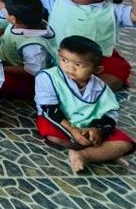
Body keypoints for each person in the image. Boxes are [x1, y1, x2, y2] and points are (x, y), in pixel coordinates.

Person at [34, 36, 134, 173]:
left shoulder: (100, 87)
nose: (69, 67)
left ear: (97, 70)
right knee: (54, 137)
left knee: (126, 143)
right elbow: (49, 110)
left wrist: (97, 130)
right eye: (64, 60)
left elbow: (110, 114)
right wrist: (72, 130)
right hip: (60, 121)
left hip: (90, 126)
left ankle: (84, 154)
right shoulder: (47, 77)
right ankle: (103, 152)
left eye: (78, 65)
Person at [29, 0, 135, 91]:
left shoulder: (112, 10)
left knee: (114, 79)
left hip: (96, 57)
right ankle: (70, 86)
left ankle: (83, 89)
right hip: (60, 53)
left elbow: (134, 16)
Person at [0, 0, 57, 99]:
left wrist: (3, 68)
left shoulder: (33, 47)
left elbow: (32, 71)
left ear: (13, 19)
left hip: (28, 79)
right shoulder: (30, 21)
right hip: (10, 59)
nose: (2, 10)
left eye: (5, 10)